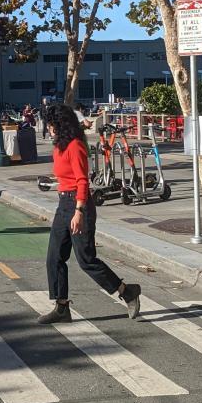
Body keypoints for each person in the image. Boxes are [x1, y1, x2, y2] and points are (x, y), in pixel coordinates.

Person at [37, 103, 142, 324]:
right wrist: (52, 182)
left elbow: (82, 180)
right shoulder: (59, 146)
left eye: (52, 124)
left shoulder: (76, 146)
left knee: (86, 260)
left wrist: (79, 212)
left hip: (78, 205)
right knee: (54, 258)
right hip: (62, 204)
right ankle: (61, 307)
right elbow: (66, 176)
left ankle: (127, 291)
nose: (49, 128)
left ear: (62, 125)